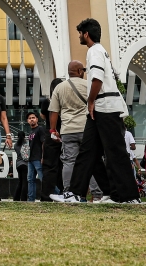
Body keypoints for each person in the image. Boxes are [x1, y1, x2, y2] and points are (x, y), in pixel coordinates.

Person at [51, 19, 140, 204]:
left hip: (105, 107)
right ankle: (77, 193)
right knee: (88, 151)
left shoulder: (94, 51)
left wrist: (91, 100)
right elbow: (107, 76)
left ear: (86, 34)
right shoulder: (101, 51)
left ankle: (129, 196)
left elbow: (97, 79)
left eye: (80, 33)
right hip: (100, 108)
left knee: (115, 152)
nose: (79, 36)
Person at [47, 60, 101, 199]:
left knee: (69, 161)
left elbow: (54, 111)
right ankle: (97, 194)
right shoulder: (88, 85)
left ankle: (68, 192)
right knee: (91, 161)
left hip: (68, 130)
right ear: (79, 71)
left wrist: (53, 130)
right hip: (87, 129)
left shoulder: (59, 88)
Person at [23, 111, 45, 202]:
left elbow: (43, 143)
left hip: (38, 158)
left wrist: (43, 157)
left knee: (43, 178)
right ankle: (31, 199)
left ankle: (56, 193)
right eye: (29, 118)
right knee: (30, 179)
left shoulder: (40, 129)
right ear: (27, 121)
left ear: (37, 119)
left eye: (33, 118)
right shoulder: (31, 132)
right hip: (31, 159)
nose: (31, 119)